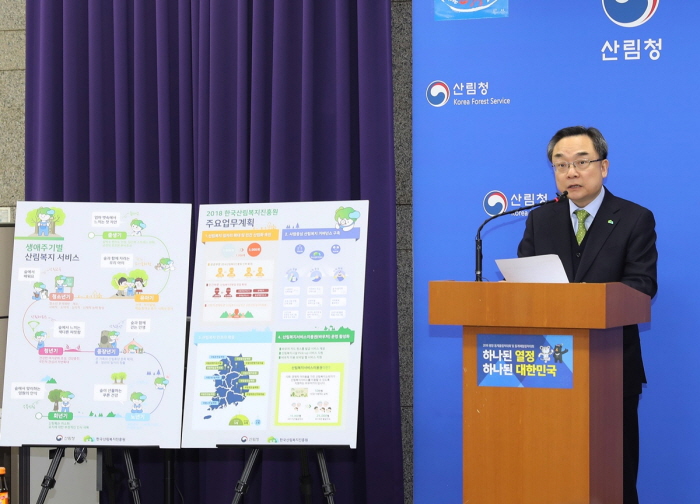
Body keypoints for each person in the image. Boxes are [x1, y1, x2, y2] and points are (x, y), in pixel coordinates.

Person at [517, 126, 657, 504]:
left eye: (581, 162)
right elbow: (523, 285)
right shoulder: (540, 220)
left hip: (611, 365)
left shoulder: (634, 218)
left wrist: (585, 301)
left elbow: (642, 286)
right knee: (553, 470)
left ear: (603, 167)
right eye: (560, 164)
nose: (571, 172)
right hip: (549, 367)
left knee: (613, 474)